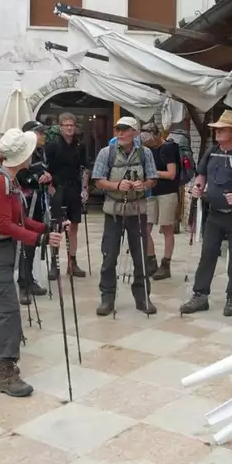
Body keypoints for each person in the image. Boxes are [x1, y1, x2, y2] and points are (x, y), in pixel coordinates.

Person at [0, 128, 65, 397]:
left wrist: (45, 229)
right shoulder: (1, 182)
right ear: (23, 156)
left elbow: (19, 221)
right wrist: (38, 240)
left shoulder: (8, 180)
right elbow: (5, 225)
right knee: (9, 311)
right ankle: (5, 371)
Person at [181, 110, 232, 317]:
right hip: (214, 213)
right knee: (207, 253)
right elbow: (201, 176)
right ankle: (200, 296)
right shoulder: (212, 151)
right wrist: (197, 188)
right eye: (217, 129)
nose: (217, 132)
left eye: (222, 129)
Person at [92, 116, 158, 316]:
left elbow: (153, 178)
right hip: (113, 211)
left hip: (137, 210)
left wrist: (143, 185)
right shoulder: (107, 152)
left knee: (140, 256)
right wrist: (117, 186)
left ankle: (142, 297)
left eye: (124, 129)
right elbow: (98, 180)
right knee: (109, 255)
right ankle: (107, 298)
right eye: (117, 129)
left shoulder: (145, 153)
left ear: (135, 133)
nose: (119, 133)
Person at [45, 112, 89, 280]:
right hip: (58, 188)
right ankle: (54, 263)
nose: (69, 128)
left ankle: (72, 262)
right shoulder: (52, 145)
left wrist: (85, 188)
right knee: (57, 227)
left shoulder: (80, 145)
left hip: (74, 188)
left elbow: (84, 168)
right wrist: (49, 185)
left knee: (74, 226)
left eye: (72, 125)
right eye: (66, 125)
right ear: (60, 127)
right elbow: (46, 169)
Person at [140, 121, 179, 280]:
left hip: (167, 192)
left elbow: (172, 174)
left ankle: (166, 264)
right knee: (145, 227)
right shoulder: (148, 149)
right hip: (151, 192)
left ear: (156, 135)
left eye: (149, 140)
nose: (147, 143)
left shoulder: (168, 148)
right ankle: (151, 260)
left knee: (166, 228)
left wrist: (152, 172)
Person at [17, 120, 50, 298]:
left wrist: (47, 177)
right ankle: (23, 284)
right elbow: (22, 177)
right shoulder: (22, 153)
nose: (43, 136)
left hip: (38, 203)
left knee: (32, 244)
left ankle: (29, 278)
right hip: (24, 204)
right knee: (25, 242)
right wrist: (38, 178)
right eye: (40, 132)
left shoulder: (40, 153)